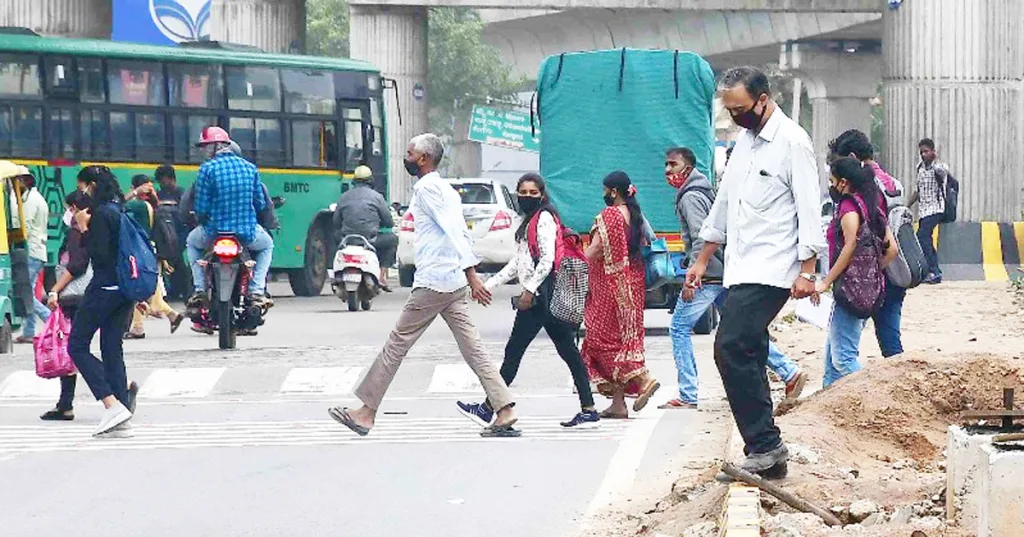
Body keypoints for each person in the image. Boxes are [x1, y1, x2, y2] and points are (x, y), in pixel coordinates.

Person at [328, 133, 520, 438]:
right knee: (474, 349)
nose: (406, 158)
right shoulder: (447, 190)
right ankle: (505, 409)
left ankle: (365, 414)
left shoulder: (428, 189)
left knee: (396, 344)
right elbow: (459, 232)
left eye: (409, 153)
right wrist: (467, 275)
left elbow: (455, 231)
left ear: (423, 159)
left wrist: (472, 273)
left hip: (434, 282)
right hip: (451, 281)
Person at [686, 66, 825, 479]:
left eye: (741, 108)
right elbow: (723, 205)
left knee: (730, 347)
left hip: (775, 268)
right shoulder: (744, 143)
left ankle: (765, 446)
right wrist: (700, 258)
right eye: (729, 110)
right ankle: (769, 455)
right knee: (749, 349)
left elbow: (808, 207)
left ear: (763, 99)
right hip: (741, 266)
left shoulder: (792, 142)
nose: (734, 117)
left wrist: (807, 270)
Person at [662, 147, 806, 410]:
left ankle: (687, 392)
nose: (668, 171)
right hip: (724, 271)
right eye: (667, 165)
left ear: (689, 167)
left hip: (710, 274)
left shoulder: (690, 197)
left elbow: (701, 237)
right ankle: (789, 371)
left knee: (679, 328)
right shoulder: (704, 191)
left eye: (673, 164)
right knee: (743, 330)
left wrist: (695, 272)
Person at [456, 173, 600, 429]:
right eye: (523, 192)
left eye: (533, 193)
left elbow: (547, 260)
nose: (527, 197)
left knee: (514, 353)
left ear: (542, 195)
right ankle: (588, 409)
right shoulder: (530, 221)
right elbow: (519, 263)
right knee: (567, 352)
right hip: (544, 297)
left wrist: (530, 290)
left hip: (540, 298)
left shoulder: (543, 219)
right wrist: (488, 284)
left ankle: (490, 407)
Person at [581, 171, 661, 419]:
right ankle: (618, 404)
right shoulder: (636, 215)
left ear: (614, 192)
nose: (604, 194)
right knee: (624, 338)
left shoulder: (610, 215)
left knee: (599, 340)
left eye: (606, 190)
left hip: (609, 287)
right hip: (632, 286)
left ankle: (643, 377)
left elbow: (594, 251)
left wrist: (574, 265)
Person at [815, 157, 898, 387]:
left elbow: (850, 245)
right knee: (833, 358)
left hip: (849, 291)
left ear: (843, 182)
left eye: (832, 181)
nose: (830, 186)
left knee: (843, 358)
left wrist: (827, 281)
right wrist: (871, 274)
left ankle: (874, 397)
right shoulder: (871, 206)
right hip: (865, 291)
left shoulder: (849, 208)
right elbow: (892, 249)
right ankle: (826, 405)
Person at [68, 165, 138, 436]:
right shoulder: (119, 209)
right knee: (111, 347)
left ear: (92, 185)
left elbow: (99, 255)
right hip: (124, 289)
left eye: (83, 186)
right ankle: (122, 413)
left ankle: (111, 404)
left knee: (77, 345)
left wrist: (84, 228)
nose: (82, 192)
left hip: (104, 286)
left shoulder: (99, 215)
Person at [829, 129, 906, 358]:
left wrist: (868, 269)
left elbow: (862, 235)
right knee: (889, 336)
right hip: (897, 268)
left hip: (873, 269)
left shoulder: (865, 187)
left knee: (845, 346)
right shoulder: (893, 182)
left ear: (852, 157)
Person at [186, 126, 274, 308]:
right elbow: (260, 203)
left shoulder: (206, 169)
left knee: (192, 243)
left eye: (205, 147)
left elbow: (201, 207)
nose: (203, 151)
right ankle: (256, 290)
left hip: (213, 232)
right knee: (267, 245)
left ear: (215, 146)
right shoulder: (250, 168)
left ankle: (200, 289)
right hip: (247, 233)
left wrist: (202, 219)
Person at [38, 191, 92, 421]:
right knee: (72, 349)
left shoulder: (75, 232)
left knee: (74, 350)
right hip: (85, 296)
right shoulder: (92, 232)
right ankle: (65, 403)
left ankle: (120, 387)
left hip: (73, 298)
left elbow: (77, 265)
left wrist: (55, 290)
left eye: (69, 208)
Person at [124, 174, 184, 339]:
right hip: (152, 251)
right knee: (146, 289)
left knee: (140, 289)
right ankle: (143, 325)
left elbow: (117, 207)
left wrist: (133, 193)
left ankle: (143, 325)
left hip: (141, 253)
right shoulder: (153, 204)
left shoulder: (139, 205)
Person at [332, 165, 397, 291]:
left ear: (354, 180)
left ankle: (333, 269)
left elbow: (336, 222)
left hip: (347, 240)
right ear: (371, 180)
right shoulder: (377, 197)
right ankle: (381, 277)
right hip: (370, 240)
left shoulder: (344, 197)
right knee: (393, 240)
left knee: (334, 236)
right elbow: (389, 222)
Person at [13, 167, 50, 344]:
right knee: (28, 292)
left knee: (24, 293)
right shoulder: (35, 198)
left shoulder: (30, 201)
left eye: (17, 180)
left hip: (32, 251)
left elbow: (23, 226)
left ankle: (50, 319)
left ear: (26, 181)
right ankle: (29, 331)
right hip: (38, 251)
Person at [909, 138, 947, 284]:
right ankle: (935, 271)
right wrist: (907, 206)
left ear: (932, 152)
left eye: (926, 151)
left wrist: (935, 160)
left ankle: (933, 271)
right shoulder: (919, 168)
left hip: (936, 209)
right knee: (925, 239)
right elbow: (917, 191)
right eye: (921, 152)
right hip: (923, 210)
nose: (923, 155)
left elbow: (943, 172)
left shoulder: (939, 167)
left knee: (922, 236)